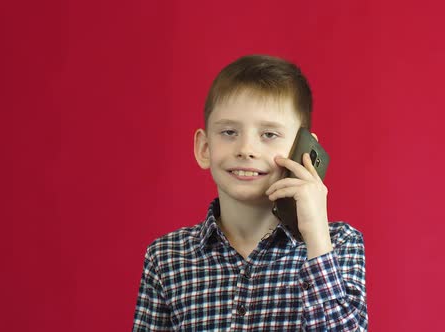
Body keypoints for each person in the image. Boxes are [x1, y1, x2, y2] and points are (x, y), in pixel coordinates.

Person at [133, 55, 368, 331]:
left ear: (304, 151)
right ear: (204, 148)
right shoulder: (166, 257)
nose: (246, 149)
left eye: (269, 134)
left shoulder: (338, 244)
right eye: (229, 132)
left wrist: (316, 239)